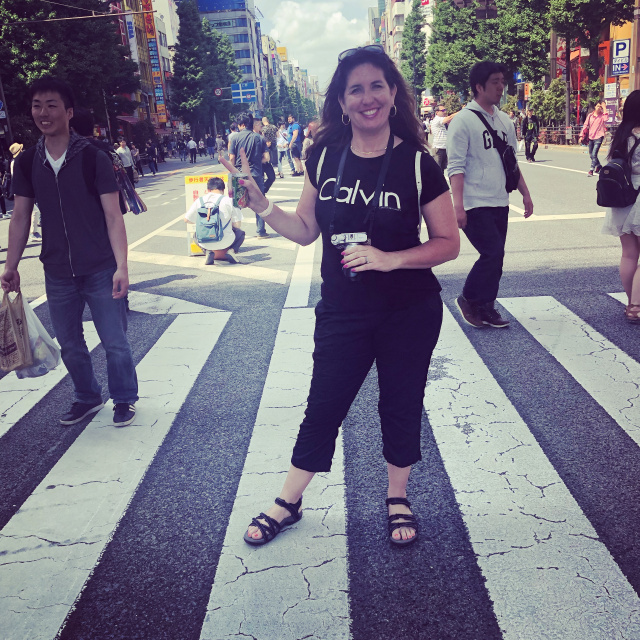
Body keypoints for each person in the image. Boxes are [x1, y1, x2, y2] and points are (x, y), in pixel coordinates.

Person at [220, 44, 459, 547]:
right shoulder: (324, 156)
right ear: (343, 101)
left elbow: (447, 243)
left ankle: (397, 497)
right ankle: (289, 501)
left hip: (408, 310)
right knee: (324, 404)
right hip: (343, 310)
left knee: (401, 403)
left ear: (392, 94)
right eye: (356, 90)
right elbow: (306, 229)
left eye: (377, 86)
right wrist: (262, 206)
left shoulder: (418, 163)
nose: (368, 98)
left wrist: (391, 258)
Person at [0, 76, 138, 427]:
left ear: (69, 112)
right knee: (70, 345)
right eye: (37, 106)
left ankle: (124, 397)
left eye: (51, 105)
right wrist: (11, 265)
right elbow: (20, 217)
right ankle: (87, 396)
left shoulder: (93, 157)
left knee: (114, 341)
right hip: (57, 270)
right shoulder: (28, 161)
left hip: (100, 267)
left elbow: (113, 216)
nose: (43, 113)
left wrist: (121, 266)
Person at [447, 60, 534, 329]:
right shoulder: (462, 121)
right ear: (479, 86)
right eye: (495, 82)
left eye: (502, 81)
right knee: (491, 253)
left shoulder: (505, 120)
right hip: (474, 202)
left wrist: (525, 194)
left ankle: (486, 307)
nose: (501, 87)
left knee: (497, 257)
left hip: (499, 199)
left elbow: (511, 162)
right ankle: (468, 299)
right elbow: (456, 167)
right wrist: (458, 206)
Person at [601, 89, 640, 322]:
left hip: (622, 199)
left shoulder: (622, 136)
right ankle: (636, 306)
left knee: (629, 254)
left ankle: (631, 303)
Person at [184, 176, 245, 265]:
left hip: (204, 241)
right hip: (226, 242)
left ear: (208, 190)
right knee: (241, 233)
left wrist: (202, 223)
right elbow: (237, 225)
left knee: (196, 234)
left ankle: (207, 251)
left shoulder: (199, 201)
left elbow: (186, 220)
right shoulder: (229, 201)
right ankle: (231, 251)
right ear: (223, 190)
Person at [228, 112, 270, 238]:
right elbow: (267, 158)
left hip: (240, 175)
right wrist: (257, 162)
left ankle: (233, 232)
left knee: (237, 205)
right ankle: (261, 231)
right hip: (256, 174)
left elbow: (232, 158)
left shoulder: (235, 138)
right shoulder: (259, 138)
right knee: (260, 202)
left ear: (242, 124)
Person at [582, 102, 608, 176]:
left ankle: (591, 170)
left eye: (600, 107)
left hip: (599, 137)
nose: (599, 108)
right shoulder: (590, 115)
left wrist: (604, 108)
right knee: (591, 154)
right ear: (595, 107)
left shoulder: (602, 115)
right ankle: (599, 166)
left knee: (594, 154)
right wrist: (581, 136)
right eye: (598, 106)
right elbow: (585, 125)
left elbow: (606, 119)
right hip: (591, 137)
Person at [431, 104, 457, 173]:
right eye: (443, 110)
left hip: (444, 147)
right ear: (437, 112)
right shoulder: (437, 119)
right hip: (438, 148)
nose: (445, 112)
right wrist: (462, 111)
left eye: (445, 110)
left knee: (442, 170)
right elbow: (450, 117)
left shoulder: (442, 122)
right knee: (437, 170)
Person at [255, 118, 275, 195]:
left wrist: (267, 145)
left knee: (272, 177)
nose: (261, 125)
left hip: (265, 160)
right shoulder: (252, 136)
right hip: (258, 161)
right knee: (261, 179)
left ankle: (263, 191)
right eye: (259, 124)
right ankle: (261, 195)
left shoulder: (261, 134)